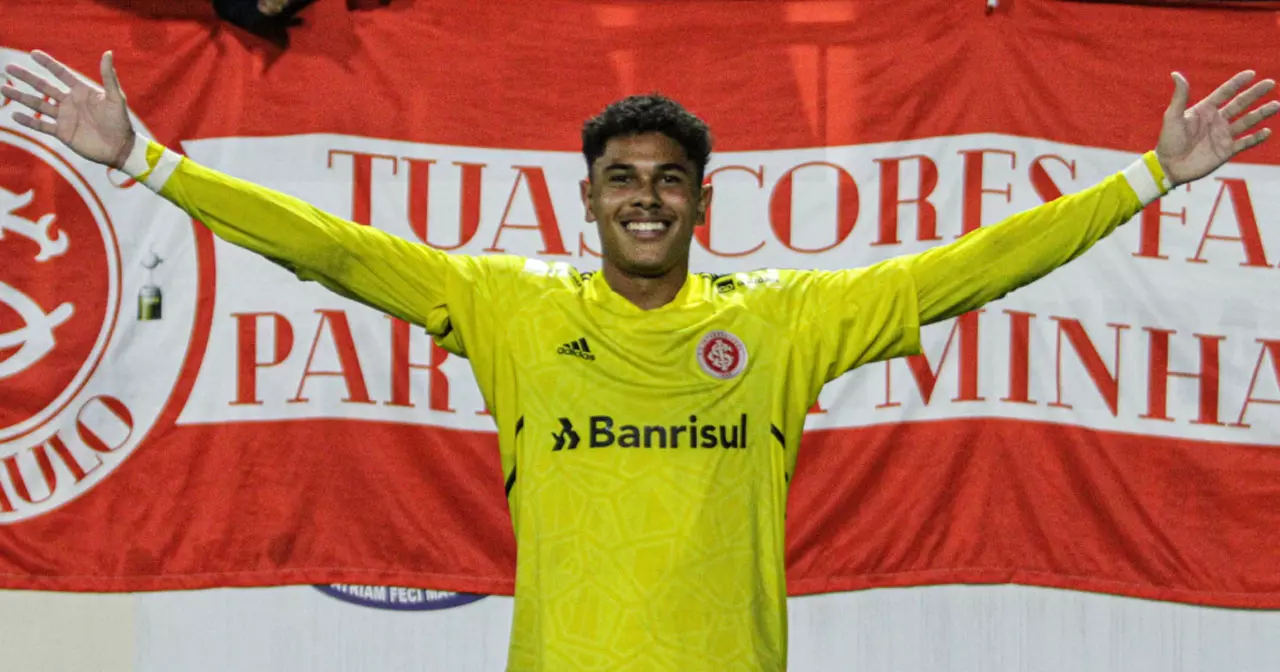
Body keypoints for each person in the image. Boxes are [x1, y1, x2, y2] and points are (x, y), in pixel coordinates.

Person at [3, 50, 1276, 671]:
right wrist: (149, 164)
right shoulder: (504, 306)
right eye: (623, 182)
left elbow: (965, 267)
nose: (646, 200)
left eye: (668, 182)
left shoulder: (779, 323)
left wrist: (1148, 177)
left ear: (699, 202)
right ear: (587, 202)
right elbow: (331, 252)